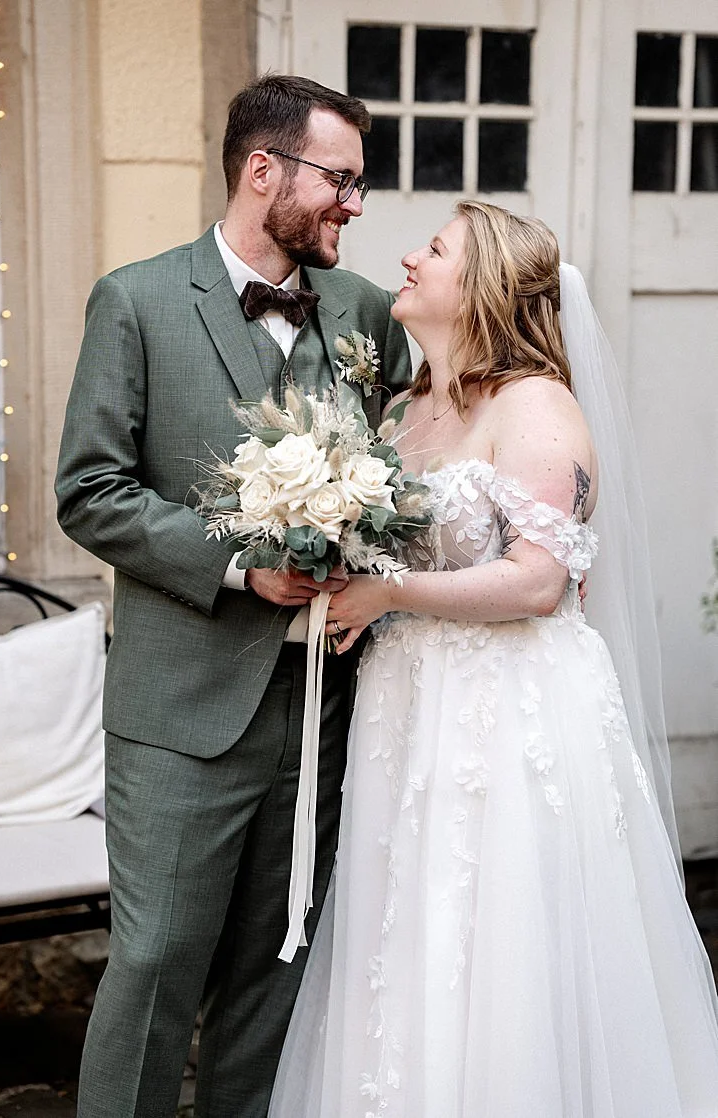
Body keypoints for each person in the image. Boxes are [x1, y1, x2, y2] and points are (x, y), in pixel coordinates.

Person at [269, 200, 718, 1115]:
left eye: (432, 250)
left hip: (509, 712)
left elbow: (536, 583)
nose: (407, 258)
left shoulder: (537, 407)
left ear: (477, 287)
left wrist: (388, 595)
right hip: (407, 709)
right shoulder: (401, 410)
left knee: (497, 935)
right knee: (405, 931)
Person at [54, 74, 412, 1118]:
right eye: (340, 180)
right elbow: (89, 491)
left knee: (279, 968)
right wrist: (237, 560)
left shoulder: (368, 316)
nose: (355, 203)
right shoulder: (138, 300)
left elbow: (410, 462)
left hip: (328, 710)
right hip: (182, 712)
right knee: (157, 961)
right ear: (265, 170)